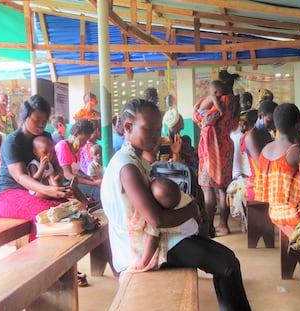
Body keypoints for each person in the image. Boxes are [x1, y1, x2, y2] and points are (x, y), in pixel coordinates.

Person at [101, 99, 251, 311]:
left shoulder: (131, 160)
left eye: (157, 129)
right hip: (141, 250)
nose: (155, 135)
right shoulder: (127, 168)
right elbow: (157, 219)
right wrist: (190, 211)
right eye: (148, 129)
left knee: (227, 260)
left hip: (149, 240)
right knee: (227, 266)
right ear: (127, 128)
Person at [0, 95, 70, 239]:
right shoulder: (13, 141)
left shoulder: (45, 136)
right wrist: (47, 189)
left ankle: (62, 259)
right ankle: (41, 257)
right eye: (36, 120)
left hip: (34, 193)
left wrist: (57, 181)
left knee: (68, 211)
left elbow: (56, 165)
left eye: (44, 121)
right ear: (25, 117)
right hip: (7, 195)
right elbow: (20, 177)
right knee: (47, 215)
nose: (41, 124)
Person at [193, 70, 241, 236]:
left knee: (208, 188)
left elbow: (205, 120)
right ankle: (223, 224)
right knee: (222, 188)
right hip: (226, 146)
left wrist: (198, 109)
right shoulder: (234, 101)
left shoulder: (221, 101)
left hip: (212, 148)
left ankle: (210, 227)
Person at [254, 103, 300, 226]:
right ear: (298, 126)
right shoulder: (295, 151)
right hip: (295, 214)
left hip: (273, 212)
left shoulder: (266, 149)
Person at [135, 177, 198, 271]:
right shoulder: (182, 197)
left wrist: (143, 262)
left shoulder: (156, 217)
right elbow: (193, 202)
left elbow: (152, 240)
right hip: (193, 224)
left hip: (187, 231)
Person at [54, 119, 101, 202]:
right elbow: (68, 175)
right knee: (97, 191)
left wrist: (90, 178)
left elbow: (77, 171)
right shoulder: (63, 146)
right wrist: (93, 183)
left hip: (74, 182)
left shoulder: (77, 148)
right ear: (76, 134)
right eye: (83, 140)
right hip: (65, 183)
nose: (85, 143)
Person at [240, 100, 276, 200]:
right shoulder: (252, 136)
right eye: (269, 121)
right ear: (260, 116)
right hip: (257, 185)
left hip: (266, 180)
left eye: (275, 122)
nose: (273, 125)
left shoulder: (267, 133)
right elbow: (261, 166)